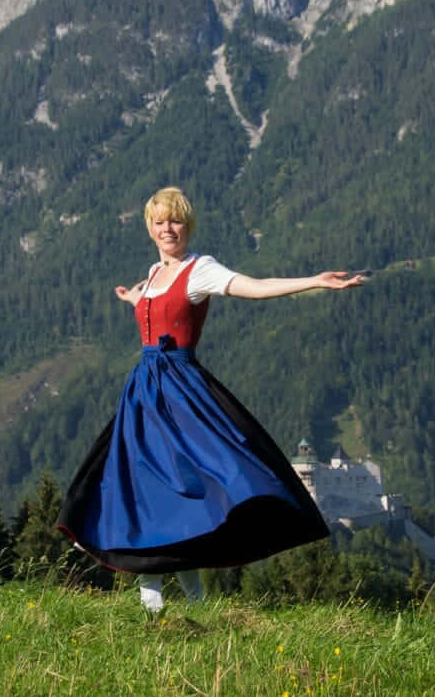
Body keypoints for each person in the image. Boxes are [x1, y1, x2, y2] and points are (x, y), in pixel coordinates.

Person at [57, 186, 364, 612]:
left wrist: (314, 281)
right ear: (150, 228)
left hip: (181, 394)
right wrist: (133, 298)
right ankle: (189, 602)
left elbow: (253, 287)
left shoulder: (199, 269)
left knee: (181, 485)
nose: (168, 229)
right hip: (144, 394)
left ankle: (158, 604)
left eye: (176, 220)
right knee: (151, 485)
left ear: (188, 226)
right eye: (160, 221)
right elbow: (152, 306)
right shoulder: (153, 272)